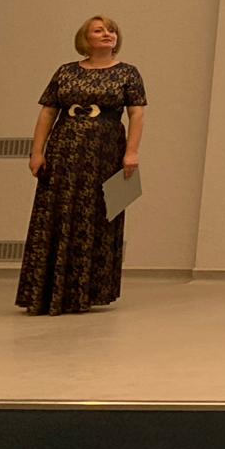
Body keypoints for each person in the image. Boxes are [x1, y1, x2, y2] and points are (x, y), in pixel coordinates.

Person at [17, 16, 146, 315]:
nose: (108, 34)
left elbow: (137, 115)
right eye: (99, 30)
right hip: (64, 149)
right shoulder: (66, 71)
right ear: (85, 38)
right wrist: (37, 152)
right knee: (56, 212)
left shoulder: (128, 72)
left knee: (99, 214)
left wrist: (132, 152)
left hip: (106, 152)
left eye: (111, 30)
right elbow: (48, 113)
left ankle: (86, 292)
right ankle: (47, 291)